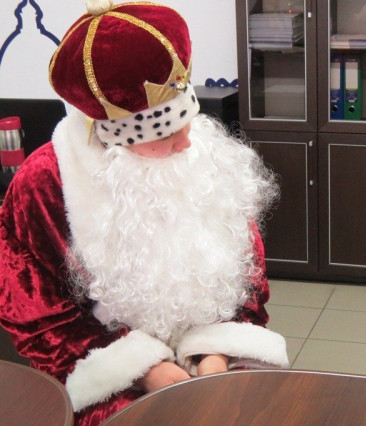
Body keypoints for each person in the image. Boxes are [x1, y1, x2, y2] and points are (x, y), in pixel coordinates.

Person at [0, 1, 288, 424]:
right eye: (165, 134)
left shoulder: (202, 155)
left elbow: (246, 276)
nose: (186, 143)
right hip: (108, 368)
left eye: (187, 122)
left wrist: (215, 353)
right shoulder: (45, 184)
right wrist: (146, 369)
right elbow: (38, 317)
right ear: (116, 137)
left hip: (215, 356)